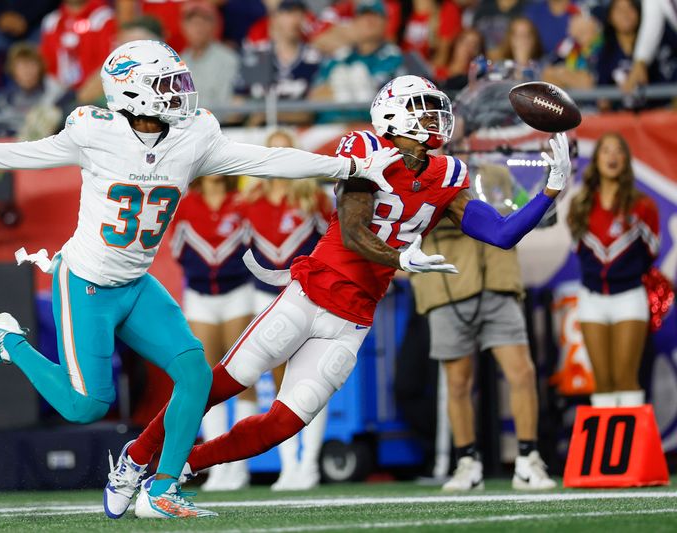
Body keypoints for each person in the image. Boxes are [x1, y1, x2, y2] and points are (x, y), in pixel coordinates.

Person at [0, 39, 399, 519]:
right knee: (85, 406)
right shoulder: (96, 132)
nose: (181, 91)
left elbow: (265, 160)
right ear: (133, 92)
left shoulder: (194, 136)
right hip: (88, 284)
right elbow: (28, 152)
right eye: (168, 83)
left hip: (137, 286)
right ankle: (7, 341)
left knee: (197, 376)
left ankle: (160, 487)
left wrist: (348, 165)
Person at [120, 75, 572, 518]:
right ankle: (136, 456)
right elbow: (355, 231)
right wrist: (401, 260)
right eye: (423, 109)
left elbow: (501, 233)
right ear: (393, 116)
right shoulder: (365, 151)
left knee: (285, 423)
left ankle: (182, 467)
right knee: (220, 385)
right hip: (310, 295)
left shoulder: (447, 173)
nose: (436, 118)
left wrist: (549, 190)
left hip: (354, 318)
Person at [411, 164, 556, 492]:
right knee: (458, 382)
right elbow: (409, 227)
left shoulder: (497, 172)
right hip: (446, 285)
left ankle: (527, 459)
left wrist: (551, 185)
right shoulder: (425, 174)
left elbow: (543, 218)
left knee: (522, 373)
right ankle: (467, 462)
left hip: (498, 282)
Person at [244, 130, 333, 491]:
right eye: (272, 150)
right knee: (278, 382)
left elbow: (334, 243)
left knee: (312, 378)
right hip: (266, 297)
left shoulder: (313, 198)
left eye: (285, 150)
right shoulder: (251, 201)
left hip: (309, 296)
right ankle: (289, 464)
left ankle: (309, 463)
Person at [170, 174, 257, 492]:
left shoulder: (241, 203)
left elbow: (253, 245)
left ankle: (240, 466)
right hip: (200, 297)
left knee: (241, 376)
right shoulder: (185, 204)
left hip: (238, 293)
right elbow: (178, 250)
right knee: (204, 381)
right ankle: (216, 465)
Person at [567, 133, 659, 407]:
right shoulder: (579, 205)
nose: (612, 156)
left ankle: (630, 450)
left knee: (626, 380)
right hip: (591, 299)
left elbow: (651, 252)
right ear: (596, 159)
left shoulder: (643, 206)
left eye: (619, 150)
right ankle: (608, 450)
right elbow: (578, 251)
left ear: (626, 160)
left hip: (629, 297)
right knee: (603, 383)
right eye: (605, 150)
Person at [310, 0, 406, 122]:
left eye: (375, 15)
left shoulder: (396, 58)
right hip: (330, 127)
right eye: (363, 15)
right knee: (341, 74)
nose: (369, 21)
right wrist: (341, 92)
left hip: (372, 127)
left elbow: (403, 102)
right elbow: (315, 96)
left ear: (385, 23)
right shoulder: (340, 56)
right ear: (354, 22)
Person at [179, 1, 239, 110]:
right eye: (192, 23)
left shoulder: (228, 59)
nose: (198, 28)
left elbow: (225, 105)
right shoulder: (178, 62)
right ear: (183, 26)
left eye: (203, 22)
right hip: (183, 124)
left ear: (213, 25)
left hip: (218, 125)